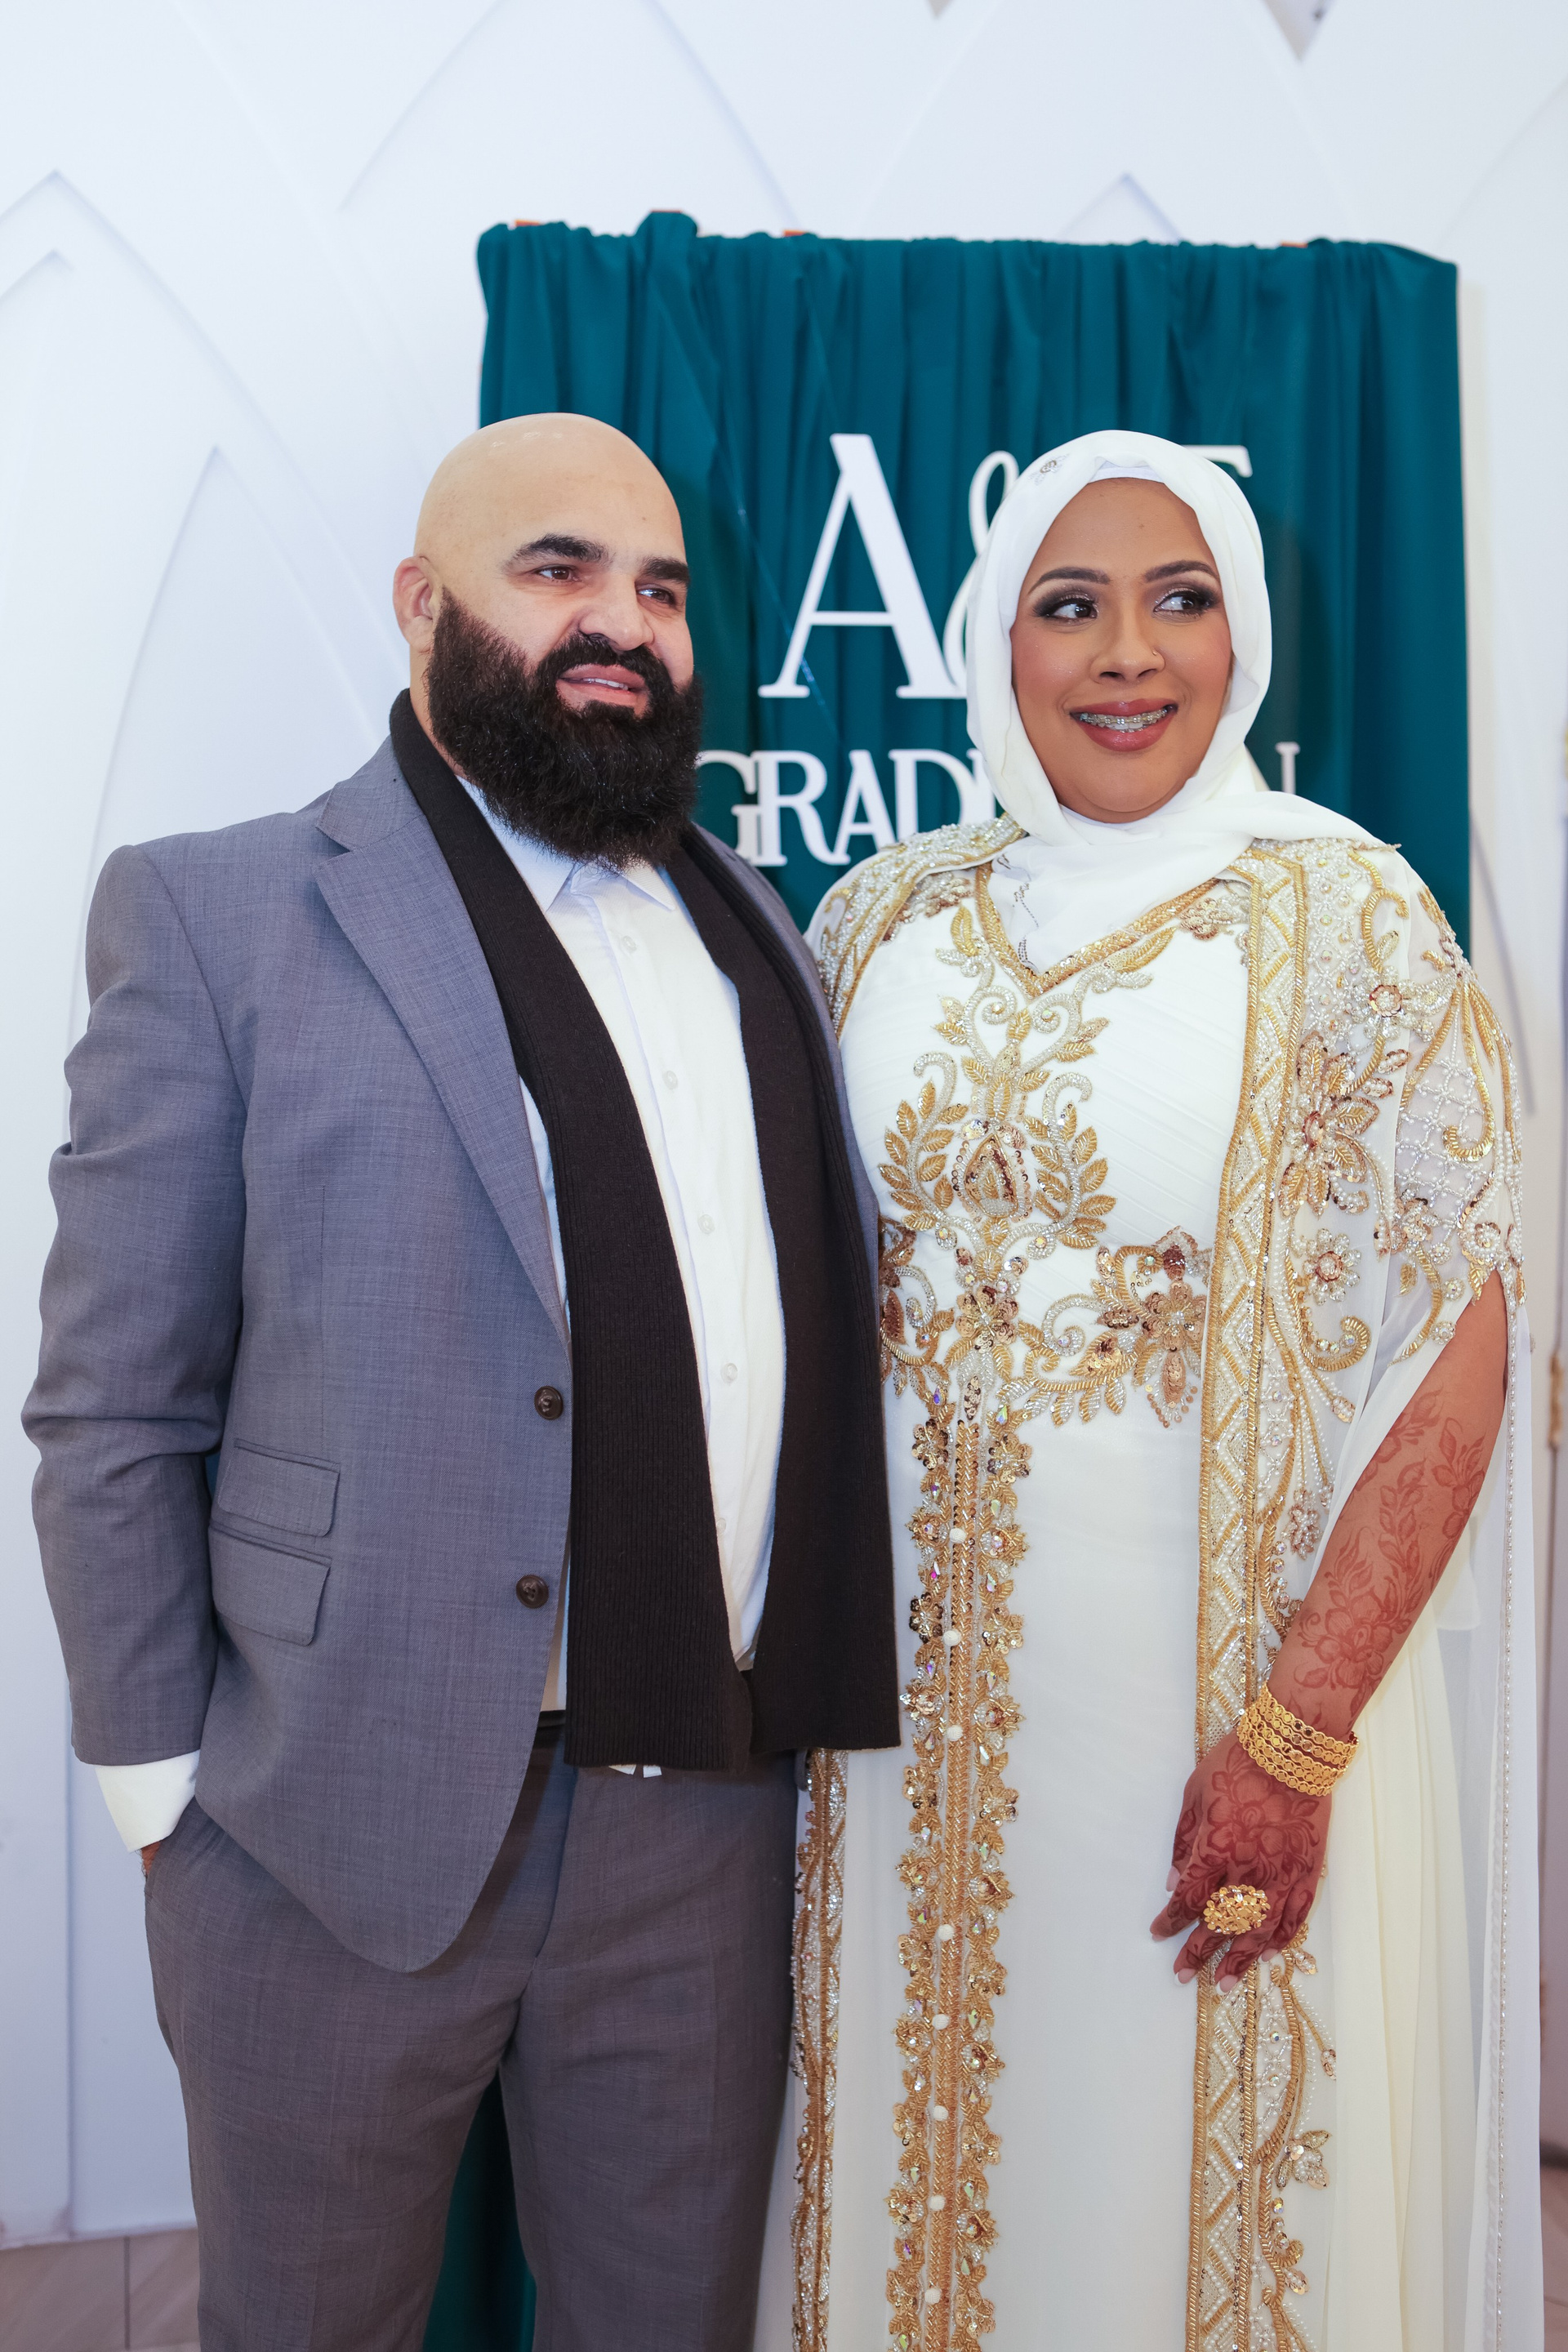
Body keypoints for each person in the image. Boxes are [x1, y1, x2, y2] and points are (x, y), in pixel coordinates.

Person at [24, 412, 899, 2352]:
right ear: (422, 606)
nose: (623, 625)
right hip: (324, 1819)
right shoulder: (220, 912)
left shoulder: (754, 928)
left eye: (662, 589)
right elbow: (114, 1401)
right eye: (557, 569)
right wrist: (165, 1798)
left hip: (699, 1812)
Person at [755, 430, 1538, 2350]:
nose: (1128, 654)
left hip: (1209, 1721)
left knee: (1160, 2179)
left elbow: (1463, 1332)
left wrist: (1297, 1736)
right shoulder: (876, 919)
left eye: (1180, 600)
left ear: (1243, 635)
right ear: (996, 646)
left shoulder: (1350, 918)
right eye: (1071, 605)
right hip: (896, 1732)